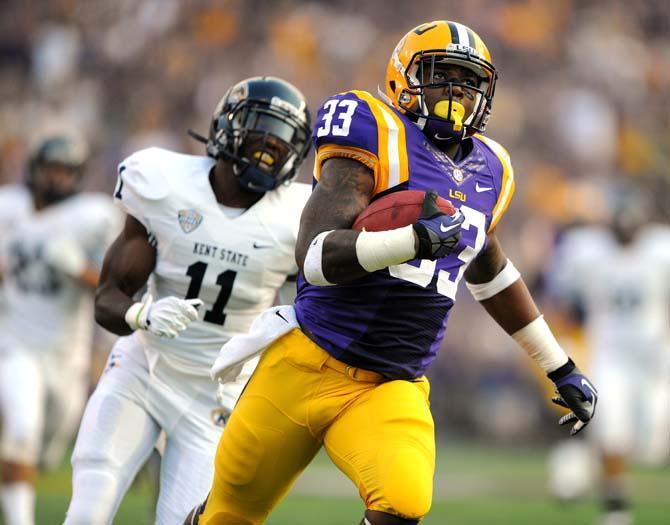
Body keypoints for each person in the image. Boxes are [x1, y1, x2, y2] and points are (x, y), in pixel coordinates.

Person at [188, 21, 598, 525]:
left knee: (403, 504)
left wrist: (559, 366)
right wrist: (410, 241)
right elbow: (313, 260)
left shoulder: (495, 169)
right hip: (306, 363)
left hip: (389, 383)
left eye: (469, 82)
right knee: (229, 515)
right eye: (443, 74)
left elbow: (490, 272)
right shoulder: (374, 127)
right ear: (405, 77)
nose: (457, 91)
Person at [63, 76, 313, 525]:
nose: (269, 147)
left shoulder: (296, 216)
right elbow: (107, 299)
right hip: (144, 370)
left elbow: (324, 301)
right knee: (89, 507)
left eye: (283, 139)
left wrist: (290, 325)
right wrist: (143, 313)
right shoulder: (165, 184)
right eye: (262, 129)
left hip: (217, 396)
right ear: (226, 126)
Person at [0, 134, 121, 525]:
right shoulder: (8, 206)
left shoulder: (92, 216)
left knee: (49, 450)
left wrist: (79, 268)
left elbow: (118, 283)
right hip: (14, 341)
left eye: (66, 172)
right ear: (35, 169)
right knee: (22, 427)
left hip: (66, 353)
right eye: (52, 170)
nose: (58, 179)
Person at [547, 193, 670, 525]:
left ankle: (576, 462)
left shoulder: (661, 250)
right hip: (611, 355)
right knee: (611, 430)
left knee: (652, 448)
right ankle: (616, 510)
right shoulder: (588, 251)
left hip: (655, 359)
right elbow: (561, 296)